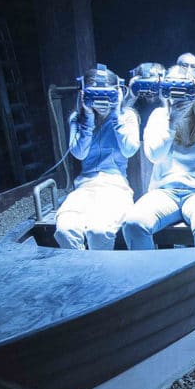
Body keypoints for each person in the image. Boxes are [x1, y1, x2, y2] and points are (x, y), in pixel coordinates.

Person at [121, 65, 195, 249]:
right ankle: (150, 267)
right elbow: (154, 156)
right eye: (173, 89)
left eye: (184, 89)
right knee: (134, 222)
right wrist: (171, 122)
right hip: (165, 192)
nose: (179, 96)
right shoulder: (159, 115)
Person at [54, 64, 138, 250]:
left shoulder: (127, 117)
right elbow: (79, 153)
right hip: (85, 187)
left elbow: (130, 150)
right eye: (95, 94)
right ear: (84, 93)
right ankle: (81, 266)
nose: (102, 100)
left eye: (107, 94)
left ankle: (101, 268)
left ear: (117, 92)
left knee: (98, 231)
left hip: (115, 186)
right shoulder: (77, 119)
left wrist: (115, 114)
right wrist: (88, 119)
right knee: (66, 230)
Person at [124, 62, 166, 197]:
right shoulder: (133, 105)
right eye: (145, 84)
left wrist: (164, 95)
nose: (149, 91)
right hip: (135, 158)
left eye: (154, 84)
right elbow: (119, 120)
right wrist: (131, 95)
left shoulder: (166, 105)